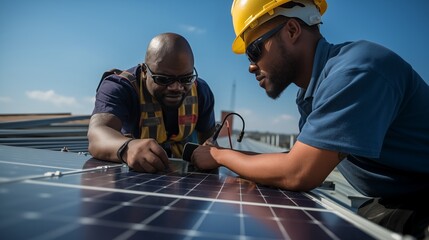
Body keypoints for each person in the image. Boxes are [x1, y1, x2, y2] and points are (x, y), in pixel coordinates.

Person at [190, 0, 429, 238]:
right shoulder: (313, 94)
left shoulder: (355, 71)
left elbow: (298, 172)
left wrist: (219, 156)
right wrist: (225, 158)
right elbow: (294, 159)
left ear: (292, 31)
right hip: (404, 198)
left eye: (254, 51)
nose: (251, 67)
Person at [88, 32, 216, 173]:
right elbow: (97, 134)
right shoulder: (119, 87)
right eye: (163, 79)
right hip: (136, 174)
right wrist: (127, 148)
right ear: (144, 71)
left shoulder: (201, 92)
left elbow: (209, 139)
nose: (176, 87)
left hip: (184, 176)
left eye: (186, 79)